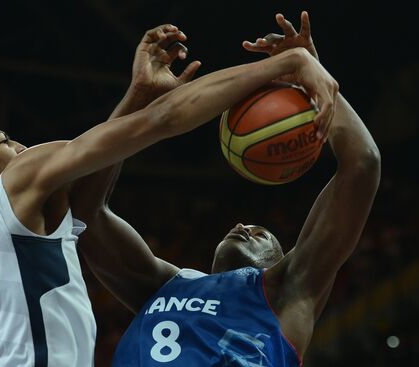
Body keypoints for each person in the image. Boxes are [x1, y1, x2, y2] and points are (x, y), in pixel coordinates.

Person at [0, 18, 337, 367]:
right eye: (4, 141)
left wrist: (139, 94)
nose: (19, 147)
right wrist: (290, 63)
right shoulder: (20, 177)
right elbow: (165, 121)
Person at [71, 11, 379, 366]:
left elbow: (363, 164)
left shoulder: (288, 290)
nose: (242, 226)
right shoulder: (162, 285)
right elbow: (87, 214)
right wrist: (138, 97)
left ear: (281, 259)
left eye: (261, 232)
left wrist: (316, 78)